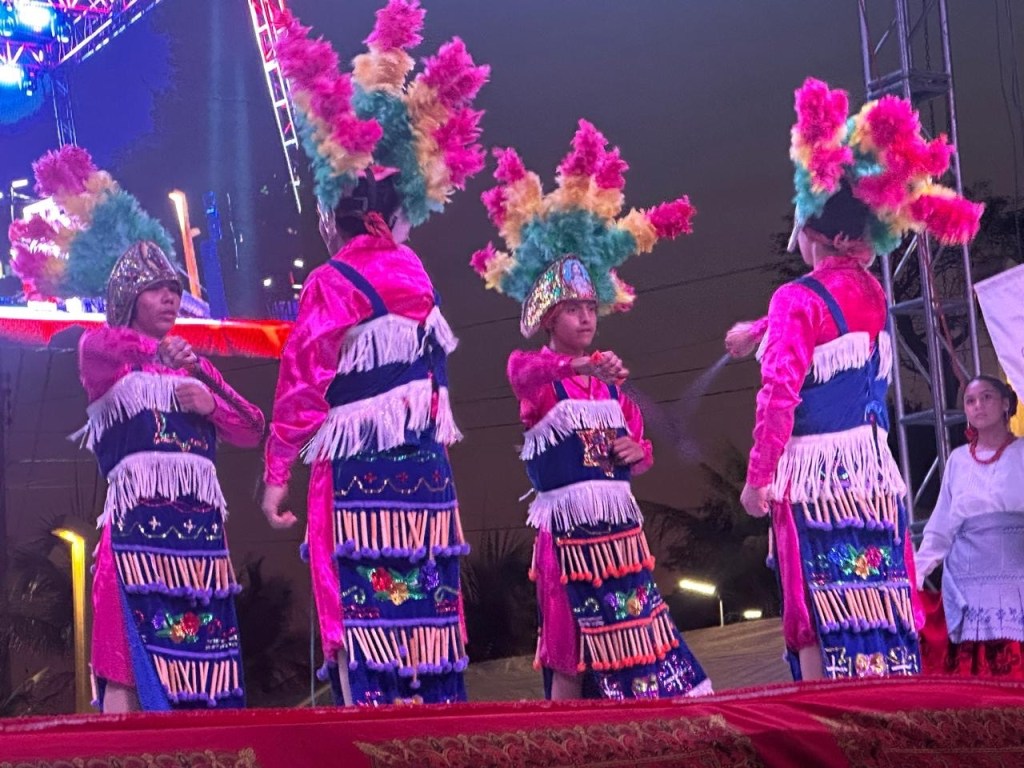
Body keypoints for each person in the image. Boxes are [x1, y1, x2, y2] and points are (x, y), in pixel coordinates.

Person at [260, 0, 488, 705]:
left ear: (336, 215)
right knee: (427, 607)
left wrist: (275, 475)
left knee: (359, 611)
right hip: (425, 476)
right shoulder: (417, 276)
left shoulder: (333, 281)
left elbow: (303, 382)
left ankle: (372, 727)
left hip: (358, 479)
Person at [739, 78, 984, 681]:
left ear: (816, 233)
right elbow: (834, 327)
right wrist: (759, 331)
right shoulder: (871, 292)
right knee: (872, 598)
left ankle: (824, 713)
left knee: (816, 606)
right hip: (871, 473)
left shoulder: (794, 299)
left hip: (814, 477)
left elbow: (779, 395)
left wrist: (758, 478)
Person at [9, 146, 264, 712]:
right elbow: (104, 342)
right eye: (156, 289)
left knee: (207, 668)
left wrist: (208, 397)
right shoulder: (106, 358)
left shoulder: (194, 366)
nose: (170, 297)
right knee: (128, 664)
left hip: (201, 544)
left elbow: (252, 427)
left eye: (174, 289)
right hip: (137, 540)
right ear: (128, 297)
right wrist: (159, 353)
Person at [471, 120, 711, 700]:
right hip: (566, 536)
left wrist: (637, 451)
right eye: (573, 309)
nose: (585, 317)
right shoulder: (538, 376)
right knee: (567, 640)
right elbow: (523, 373)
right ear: (550, 319)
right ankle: (566, 736)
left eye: (590, 308)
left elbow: (639, 453)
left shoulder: (612, 391)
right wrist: (580, 365)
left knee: (636, 633)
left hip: (619, 535)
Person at [915, 375, 1024, 678]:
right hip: (966, 581)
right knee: (972, 672)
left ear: (1005, 403)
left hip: (1015, 580)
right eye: (970, 401)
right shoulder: (957, 460)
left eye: (987, 397)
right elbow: (940, 527)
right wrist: (917, 573)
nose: (978, 406)